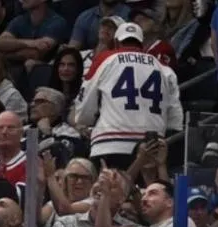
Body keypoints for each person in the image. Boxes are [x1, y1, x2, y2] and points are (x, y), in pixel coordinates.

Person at [72, 22, 183, 169]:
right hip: (152, 146)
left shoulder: (105, 59)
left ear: (117, 42)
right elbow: (175, 120)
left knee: (109, 190)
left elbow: (84, 110)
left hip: (110, 144)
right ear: (142, 44)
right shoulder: (163, 68)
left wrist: (85, 120)